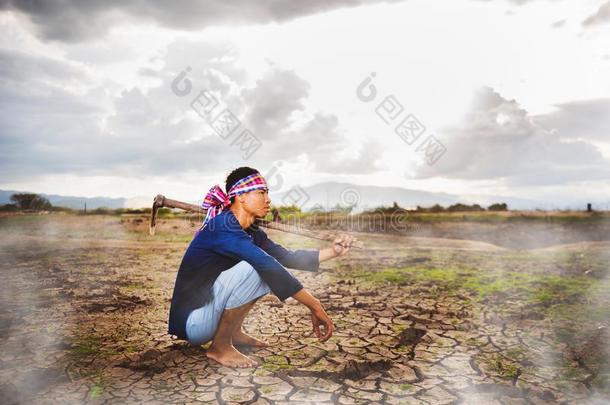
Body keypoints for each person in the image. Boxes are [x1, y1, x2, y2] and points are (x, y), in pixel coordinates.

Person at [168, 167, 356, 367]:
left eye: (267, 193)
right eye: (261, 192)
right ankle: (220, 347)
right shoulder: (224, 226)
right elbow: (268, 265)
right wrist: (315, 305)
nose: (268, 199)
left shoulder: (251, 231)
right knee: (257, 268)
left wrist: (333, 251)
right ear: (240, 196)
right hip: (194, 324)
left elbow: (285, 257)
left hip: (207, 317)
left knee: (262, 267)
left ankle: (234, 333)